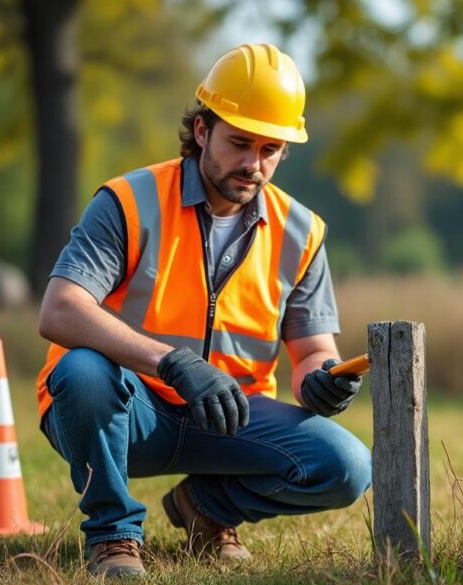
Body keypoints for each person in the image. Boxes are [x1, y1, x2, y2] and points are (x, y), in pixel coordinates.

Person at [35, 44, 371, 578]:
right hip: (129, 411)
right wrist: (172, 363)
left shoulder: (302, 232)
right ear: (201, 130)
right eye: (239, 143)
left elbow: (312, 349)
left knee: (349, 466)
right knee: (81, 371)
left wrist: (321, 380)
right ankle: (114, 536)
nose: (253, 164)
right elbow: (59, 309)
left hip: (230, 418)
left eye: (270, 149)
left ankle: (206, 512)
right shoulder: (129, 200)